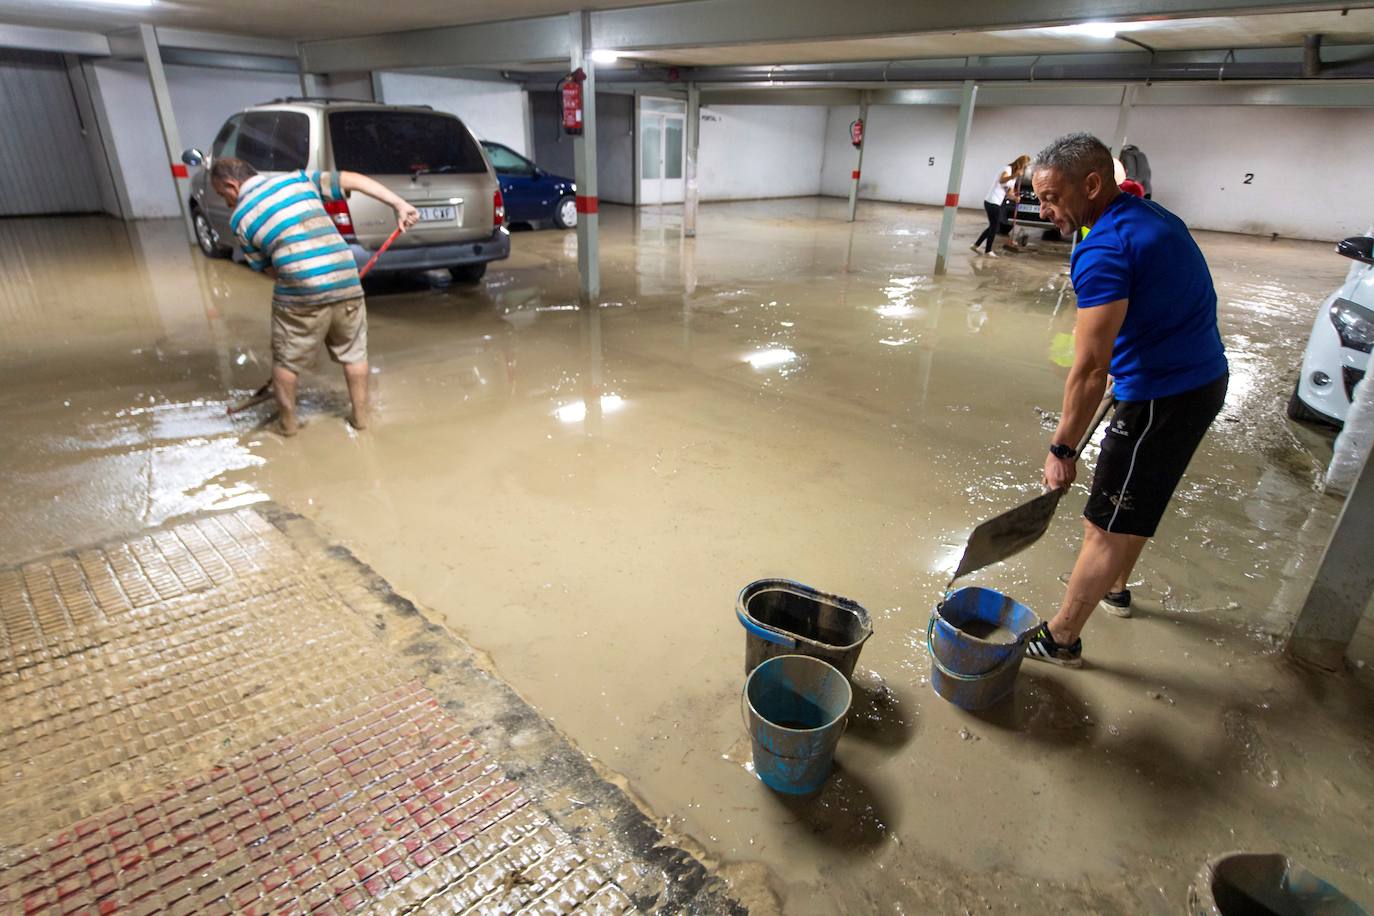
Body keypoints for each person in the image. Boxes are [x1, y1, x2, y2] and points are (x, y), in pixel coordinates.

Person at [1023, 132, 1228, 667]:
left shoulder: (1105, 249)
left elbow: (1089, 368)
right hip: (1196, 378)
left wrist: (1063, 448)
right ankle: (1115, 587)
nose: (1044, 210)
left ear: (1091, 184)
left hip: (1164, 395)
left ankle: (1061, 638)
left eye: (1051, 197)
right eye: (1039, 198)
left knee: (1106, 521)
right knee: (1131, 501)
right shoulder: (1150, 216)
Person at [209, 158, 419, 435]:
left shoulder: (240, 218)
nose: (227, 203)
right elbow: (353, 178)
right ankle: (361, 419)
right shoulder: (297, 180)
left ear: (231, 184)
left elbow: (269, 269)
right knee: (354, 354)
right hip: (346, 278)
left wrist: (309, 289)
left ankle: (288, 426)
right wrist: (399, 205)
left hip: (300, 290)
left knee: (285, 362)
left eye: (224, 196)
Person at [971, 155, 1029, 258]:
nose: (1024, 169)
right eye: (1024, 166)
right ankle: (987, 250)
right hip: (991, 201)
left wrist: (1015, 198)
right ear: (1020, 164)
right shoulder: (1007, 169)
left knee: (993, 226)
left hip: (996, 202)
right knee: (995, 226)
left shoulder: (1014, 178)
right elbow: (1002, 180)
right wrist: (1015, 174)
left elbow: (1008, 192)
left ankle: (976, 245)